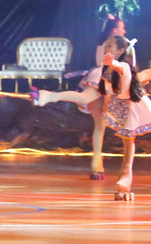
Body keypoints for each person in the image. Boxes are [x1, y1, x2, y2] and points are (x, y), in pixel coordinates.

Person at [32, 15, 128, 179]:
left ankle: (97, 166)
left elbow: (130, 68)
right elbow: (100, 62)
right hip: (102, 76)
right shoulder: (106, 43)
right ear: (112, 29)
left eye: (123, 28)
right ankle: (47, 96)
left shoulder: (126, 46)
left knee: (100, 124)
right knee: (85, 98)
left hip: (115, 83)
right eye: (120, 27)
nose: (123, 30)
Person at [97, 36, 151, 201]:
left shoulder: (122, 65)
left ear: (120, 51)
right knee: (127, 141)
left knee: (128, 140)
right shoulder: (107, 69)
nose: (105, 48)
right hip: (121, 104)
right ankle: (125, 176)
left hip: (132, 106)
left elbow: (118, 67)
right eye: (105, 45)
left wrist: (111, 63)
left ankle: (126, 174)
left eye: (110, 45)